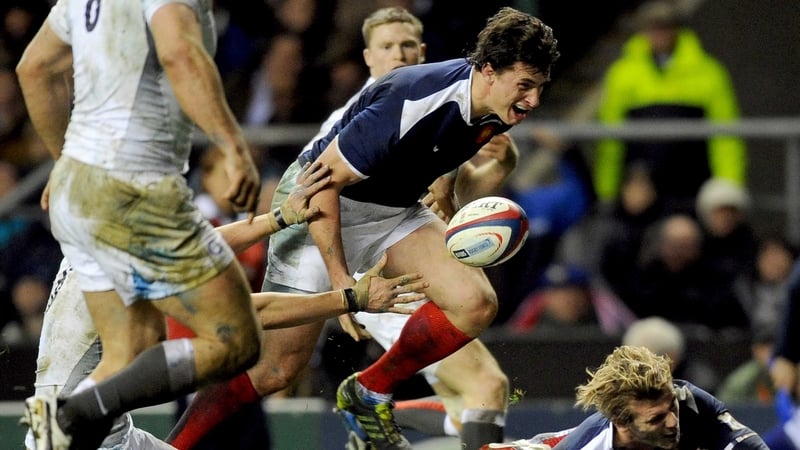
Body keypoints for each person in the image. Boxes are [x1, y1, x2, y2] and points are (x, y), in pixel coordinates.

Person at [169, 7, 522, 450]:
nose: (400, 54)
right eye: (388, 46)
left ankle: (369, 394)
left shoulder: (467, 102)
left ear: (425, 52)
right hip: (326, 224)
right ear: (368, 58)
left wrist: (495, 170)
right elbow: (322, 186)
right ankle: (171, 440)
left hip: (390, 223)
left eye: (408, 45)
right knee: (277, 370)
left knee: (485, 372)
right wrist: (343, 290)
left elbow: (449, 190)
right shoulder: (386, 108)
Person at [14, 1, 322, 449]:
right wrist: (233, 144)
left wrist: (65, 162)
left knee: (127, 351)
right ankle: (70, 414)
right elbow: (180, 54)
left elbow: (34, 68)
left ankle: (62, 424)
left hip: (80, 190)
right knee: (236, 339)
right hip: (136, 186)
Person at [22, 161, 429, 450]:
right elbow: (252, 312)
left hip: (89, 430)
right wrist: (349, 298)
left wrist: (280, 219)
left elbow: (201, 248)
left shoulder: (99, 244)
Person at [593, 0, 747, 216]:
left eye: (665, 26)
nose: (660, 33)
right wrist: (608, 191)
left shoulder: (710, 72)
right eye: (653, 26)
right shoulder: (622, 74)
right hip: (640, 192)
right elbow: (610, 141)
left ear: (677, 28)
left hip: (693, 187)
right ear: (643, 30)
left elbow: (727, 137)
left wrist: (728, 189)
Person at [484, 345, 769, 449]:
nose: (672, 422)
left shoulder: (688, 401)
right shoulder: (586, 446)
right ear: (621, 422)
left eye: (671, 408)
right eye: (657, 418)